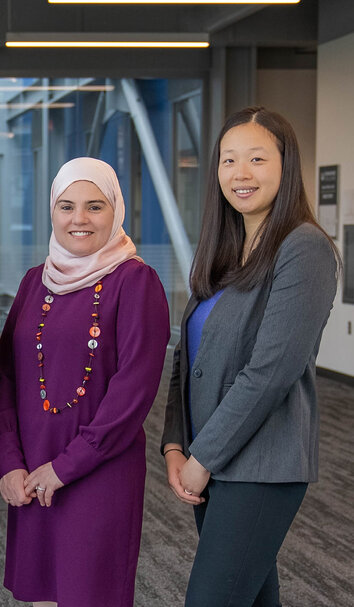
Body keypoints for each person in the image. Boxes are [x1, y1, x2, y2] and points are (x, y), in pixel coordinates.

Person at [161, 107, 339, 606]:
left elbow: (271, 372)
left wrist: (204, 458)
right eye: (228, 160)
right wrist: (177, 444)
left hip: (260, 465)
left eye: (257, 159)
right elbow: (187, 354)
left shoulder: (304, 248)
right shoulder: (225, 247)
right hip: (212, 458)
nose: (240, 174)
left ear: (286, 166)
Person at [0, 157, 170, 607]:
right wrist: (9, 461)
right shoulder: (35, 283)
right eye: (66, 206)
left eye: (95, 206)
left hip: (98, 474)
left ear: (116, 211)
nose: (79, 219)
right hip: (32, 471)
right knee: (41, 598)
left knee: (88, 595)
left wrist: (66, 467)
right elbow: (6, 377)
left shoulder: (136, 281)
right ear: (52, 211)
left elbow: (134, 391)